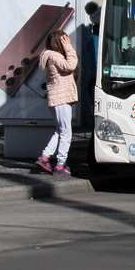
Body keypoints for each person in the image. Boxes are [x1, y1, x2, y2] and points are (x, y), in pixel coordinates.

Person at [34, 31, 79, 178]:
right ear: (60, 43)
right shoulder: (55, 56)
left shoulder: (49, 55)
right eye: (64, 41)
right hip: (61, 99)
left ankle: (45, 157)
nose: (67, 42)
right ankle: (60, 165)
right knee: (66, 133)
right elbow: (70, 65)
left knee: (59, 131)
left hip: (56, 98)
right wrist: (69, 48)